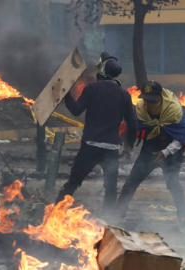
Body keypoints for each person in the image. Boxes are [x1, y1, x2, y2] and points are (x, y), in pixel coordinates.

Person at [55, 52, 137, 216]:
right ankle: (108, 221)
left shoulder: (91, 88)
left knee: (73, 182)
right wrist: (129, 146)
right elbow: (133, 125)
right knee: (111, 188)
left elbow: (76, 110)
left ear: (102, 72)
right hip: (111, 149)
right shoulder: (124, 95)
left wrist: (67, 96)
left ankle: (55, 213)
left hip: (90, 147)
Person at [116, 81, 185, 221]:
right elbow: (132, 128)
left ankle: (184, 216)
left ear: (160, 97)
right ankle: (118, 213)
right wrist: (128, 147)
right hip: (150, 149)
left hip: (172, 151)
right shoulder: (140, 109)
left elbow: (182, 137)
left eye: (152, 101)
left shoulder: (174, 109)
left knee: (172, 183)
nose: (149, 105)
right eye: (146, 100)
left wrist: (165, 152)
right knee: (132, 181)